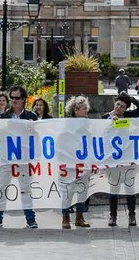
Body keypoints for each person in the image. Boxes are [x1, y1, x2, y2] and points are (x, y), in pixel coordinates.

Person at [0, 85, 38, 229]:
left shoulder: (31, 116)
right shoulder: (3, 116)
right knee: (2, 187)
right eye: (12, 98)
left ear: (23, 99)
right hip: (7, 157)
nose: (14, 101)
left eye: (17, 98)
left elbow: (37, 136)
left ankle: (30, 218)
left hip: (23, 158)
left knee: (25, 188)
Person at [104, 91, 139, 227]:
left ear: (126, 108)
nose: (118, 108)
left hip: (128, 159)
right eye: (117, 105)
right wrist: (111, 122)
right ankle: (113, 216)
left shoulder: (129, 116)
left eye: (122, 106)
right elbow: (101, 134)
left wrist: (131, 99)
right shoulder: (106, 117)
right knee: (114, 188)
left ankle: (132, 215)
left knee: (129, 187)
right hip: (113, 159)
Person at [58, 96, 92, 229]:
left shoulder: (89, 124)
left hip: (84, 162)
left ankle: (79, 217)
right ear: (76, 110)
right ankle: (65, 217)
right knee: (68, 191)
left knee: (83, 191)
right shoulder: (66, 124)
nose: (86, 112)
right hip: (69, 163)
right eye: (84, 109)